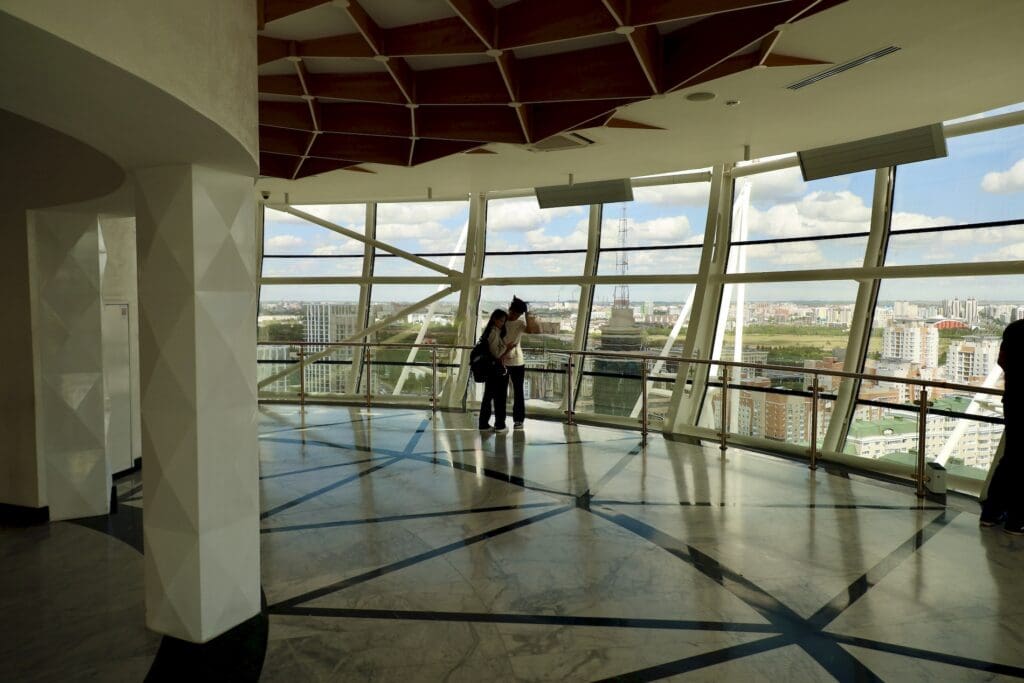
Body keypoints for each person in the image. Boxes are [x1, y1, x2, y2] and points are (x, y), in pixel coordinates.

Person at [980, 318, 1024, 534]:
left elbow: (1002, 361)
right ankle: (1017, 520)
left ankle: (992, 512)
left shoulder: (1014, 329)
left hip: (1014, 401)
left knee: (1011, 459)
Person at [504, 296, 541, 430]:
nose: (514, 315)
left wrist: (527, 315)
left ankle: (518, 419)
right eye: (514, 312)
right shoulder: (502, 322)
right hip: (503, 360)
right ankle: (501, 419)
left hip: (516, 362)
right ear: (509, 310)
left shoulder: (519, 323)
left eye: (517, 314)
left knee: (518, 392)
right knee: (503, 392)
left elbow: (533, 330)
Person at [478, 309, 510, 433]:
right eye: (501, 320)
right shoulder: (493, 333)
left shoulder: (490, 332)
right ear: (495, 319)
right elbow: (496, 353)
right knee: (499, 397)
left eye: (504, 321)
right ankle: (499, 425)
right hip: (494, 370)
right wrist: (507, 347)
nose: (502, 323)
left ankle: (484, 423)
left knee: (488, 396)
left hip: (490, 369)